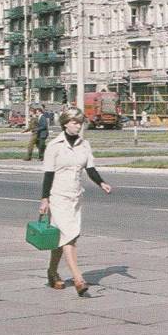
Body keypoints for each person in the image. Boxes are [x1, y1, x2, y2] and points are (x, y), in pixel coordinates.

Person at [39, 107, 112, 296]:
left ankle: (52, 272)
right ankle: (79, 279)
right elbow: (48, 174)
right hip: (58, 197)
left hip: (75, 197)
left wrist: (101, 183)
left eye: (80, 123)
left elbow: (90, 169)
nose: (78, 126)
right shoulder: (54, 146)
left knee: (63, 237)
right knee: (69, 237)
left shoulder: (84, 145)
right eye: (74, 123)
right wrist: (45, 199)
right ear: (65, 124)